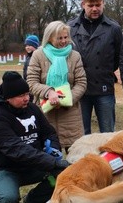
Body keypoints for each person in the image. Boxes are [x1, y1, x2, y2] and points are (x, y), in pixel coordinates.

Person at [0, 71, 70, 203]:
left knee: (61, 176)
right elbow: (17, 150)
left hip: (30, 163)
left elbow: (49, 132)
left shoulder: (32, 108)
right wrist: (52, 162)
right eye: (21, 95)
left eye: (27, 93)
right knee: (8, 198)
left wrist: (53, 149)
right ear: (8, 98)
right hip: (1, 168)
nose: (26, 98)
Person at [68, 0, 123, 133]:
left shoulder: (114, 28)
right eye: (90, 5)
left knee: (108, 132)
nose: (94, 9)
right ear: (82, 4)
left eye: (98, 5)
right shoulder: (70, 27)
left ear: (103, 3)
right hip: (79, 89)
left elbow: (119, 57)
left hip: (104, 88)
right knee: (81, 133)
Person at [27, 21, 87, 151]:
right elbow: (31, 82)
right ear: (49, 37)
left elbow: (81, 83)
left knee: (74, 158)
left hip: (70, 115)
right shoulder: (38, 55)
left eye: (66, 37)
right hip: (45, 113)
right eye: (60, 38)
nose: (64, 41)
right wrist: (49, 92)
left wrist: (65, 99)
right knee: (49, 155)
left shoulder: (75, 56)